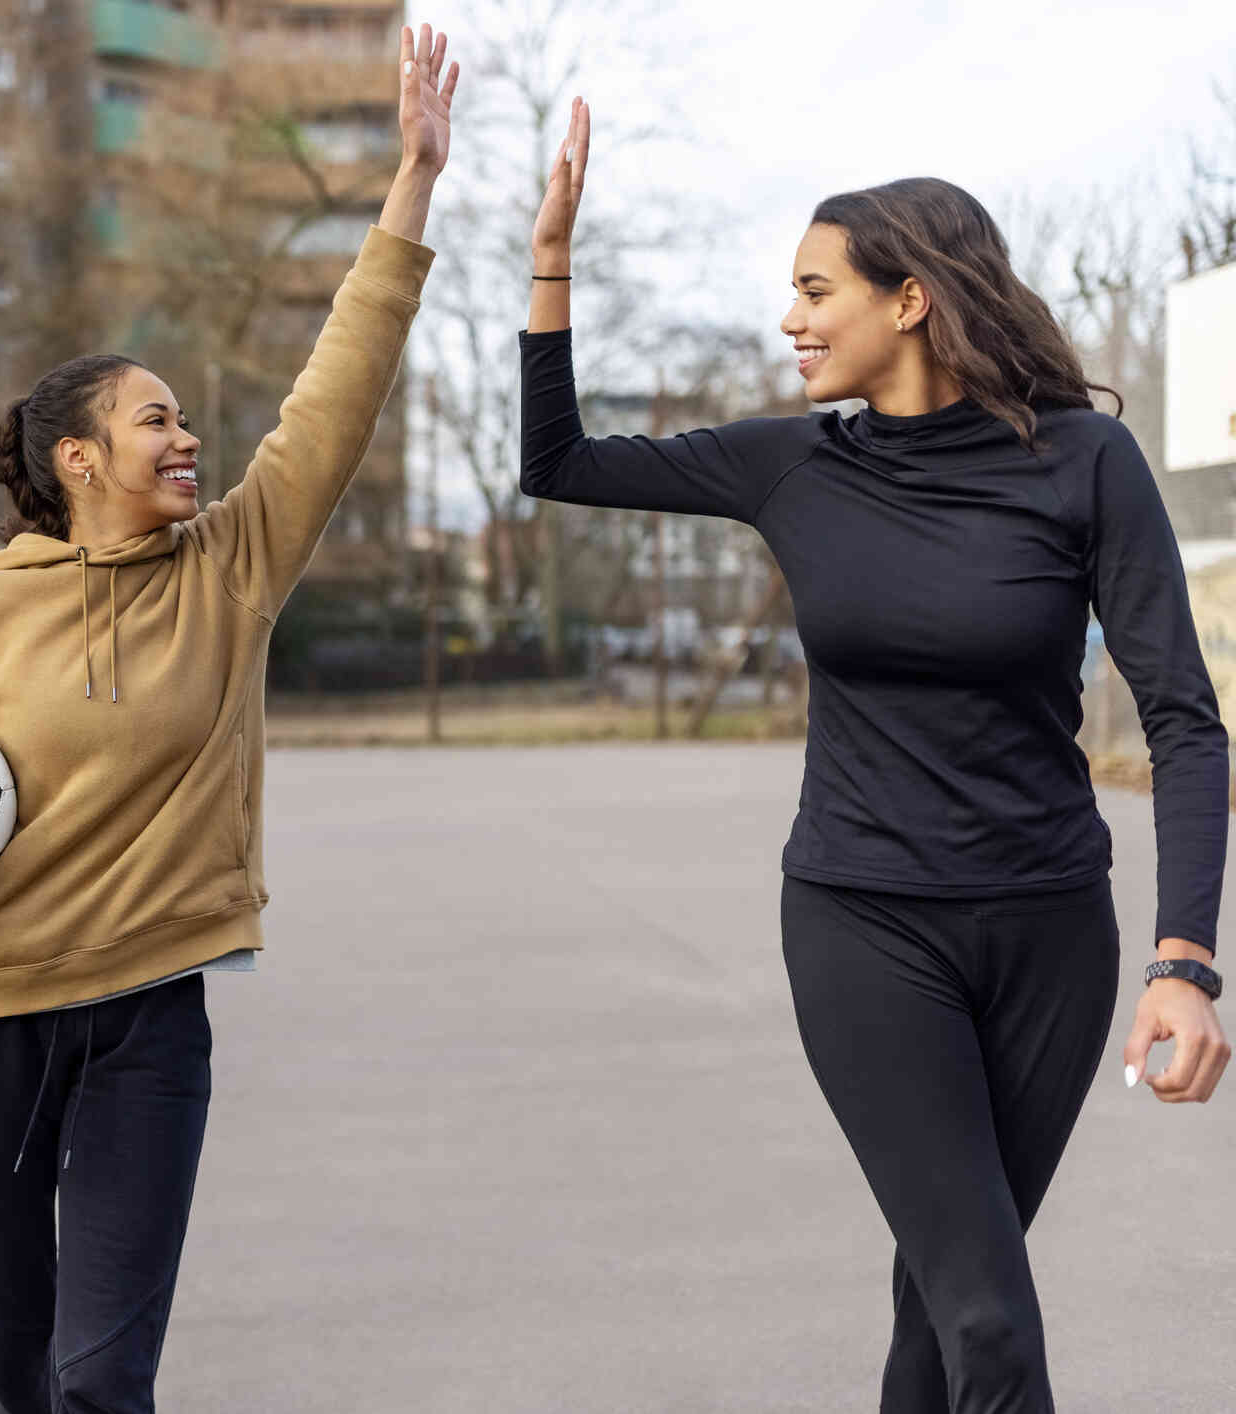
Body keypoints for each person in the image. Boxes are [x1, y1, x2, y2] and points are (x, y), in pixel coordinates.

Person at [0, 26, 458, 1411]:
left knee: (99, 1378)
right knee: (16, 1369)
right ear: (78, 456)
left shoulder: (235, 566)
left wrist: (412, 187)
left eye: (187, 417)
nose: (186, 435)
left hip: (149, 1023)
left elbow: (340, 384)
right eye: (157, 420)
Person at [518, 99, 1229, 1414]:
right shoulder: (792, 465)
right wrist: (551, 256)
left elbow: (1183, 715)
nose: (790, 320)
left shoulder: (1084, 463)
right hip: (863, 926)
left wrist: (1185, 958)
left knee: (943, 1303)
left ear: (911, 301)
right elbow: (556, 460)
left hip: (1048, 935)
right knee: (990, 1322)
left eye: (813, 290)